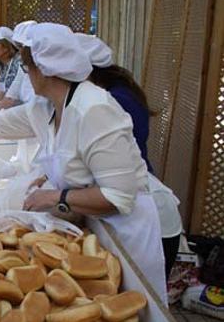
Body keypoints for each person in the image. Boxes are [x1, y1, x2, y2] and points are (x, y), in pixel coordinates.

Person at [0, 23, 168, 303]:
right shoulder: (47, 106)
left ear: (45, 68)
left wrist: (54, 196)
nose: (25, 74)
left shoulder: (94, 110)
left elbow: (117, 196)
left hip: (126, 234)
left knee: (133, 305)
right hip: (95, 228)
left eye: (26, 67)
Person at [76, 33, 183, 280]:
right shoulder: (112, 92)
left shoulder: (109, 102)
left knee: (147, 297)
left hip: (150, 213)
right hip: (139, 203)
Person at [4, 20, 37, 107]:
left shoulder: (43, 71)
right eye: (18, 46)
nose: (20, 52)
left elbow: (38, 107)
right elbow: (11, 96)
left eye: (21, 46)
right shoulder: (23, 67)